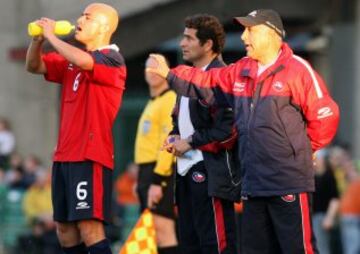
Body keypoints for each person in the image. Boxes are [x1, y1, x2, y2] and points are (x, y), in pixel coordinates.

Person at [148, 9, 340, 254]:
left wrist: (306, 148)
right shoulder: (242, 69)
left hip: (288, 182)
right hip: (252, 183)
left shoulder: (298, 69)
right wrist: (169, 73)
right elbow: (208, 82)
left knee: (297, 249)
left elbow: (326, 115)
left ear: (272, 34)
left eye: (251, 30)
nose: (243, 37)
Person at [25, 3, 126, 254]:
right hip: (64, 156)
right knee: (65, 232)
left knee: (90, 227)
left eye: (88, 17)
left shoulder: (112, 59)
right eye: (81, 14)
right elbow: (33, 66)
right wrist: (38, 40)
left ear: (103, 27)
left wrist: (51, 36)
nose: (80, 19)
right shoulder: (73, 61)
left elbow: (84, 60)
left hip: (89, 156)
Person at [160, 14, 239, 254]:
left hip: (210, 171)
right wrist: (175, 136)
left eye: (189, 38)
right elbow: (181, 122)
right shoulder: (186, 76)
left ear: (207, 44)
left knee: (216, 244)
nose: (182, 43)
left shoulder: (222, 77)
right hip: (184, 170)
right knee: (189, 243)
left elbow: (226, 130)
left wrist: (190, 142)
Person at [134, 55, 178, 254]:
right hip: (146, 171)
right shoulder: (153, 101)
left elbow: (167, 143)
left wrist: (158, 179)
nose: (151, 72)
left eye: (156, 68)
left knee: (163, 228)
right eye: (147, 68)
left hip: (159, 171)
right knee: (152, 229)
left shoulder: (169, 99)